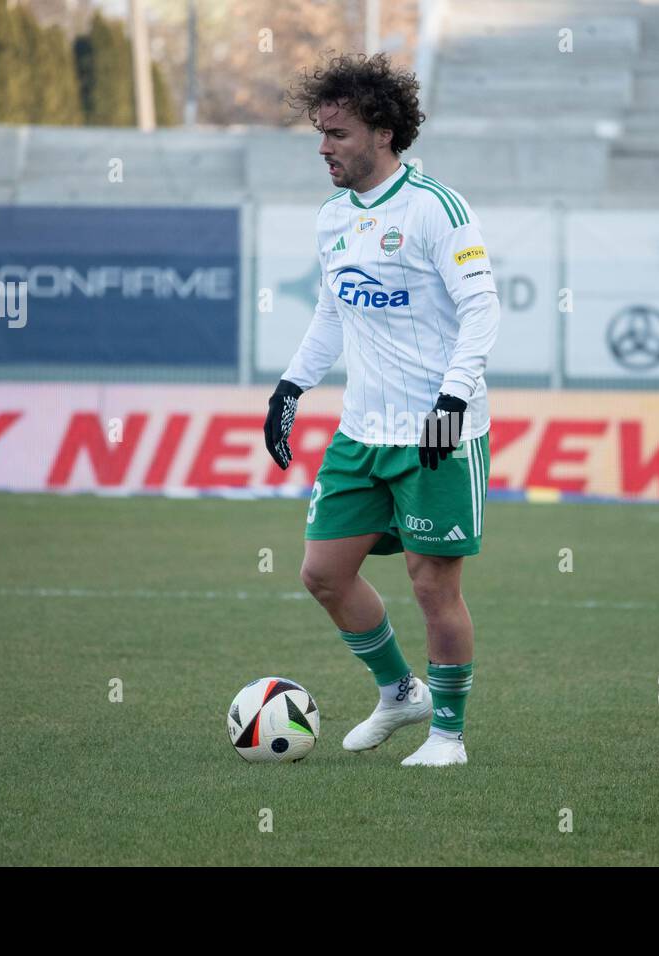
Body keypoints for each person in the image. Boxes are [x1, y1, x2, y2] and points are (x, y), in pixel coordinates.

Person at [263, 53, 500, 767]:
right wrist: (292, 386)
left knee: (432, 583)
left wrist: (453, 399)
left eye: (337, 133)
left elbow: (481, 308)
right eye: (321, 132)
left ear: (382, 132)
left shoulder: (436, 209)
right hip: (362, 431)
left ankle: (448, 736)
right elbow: (333, 312)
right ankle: (401, 693)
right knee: (323, 574)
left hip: (437, 432)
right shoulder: (334, 218)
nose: (324, 147)